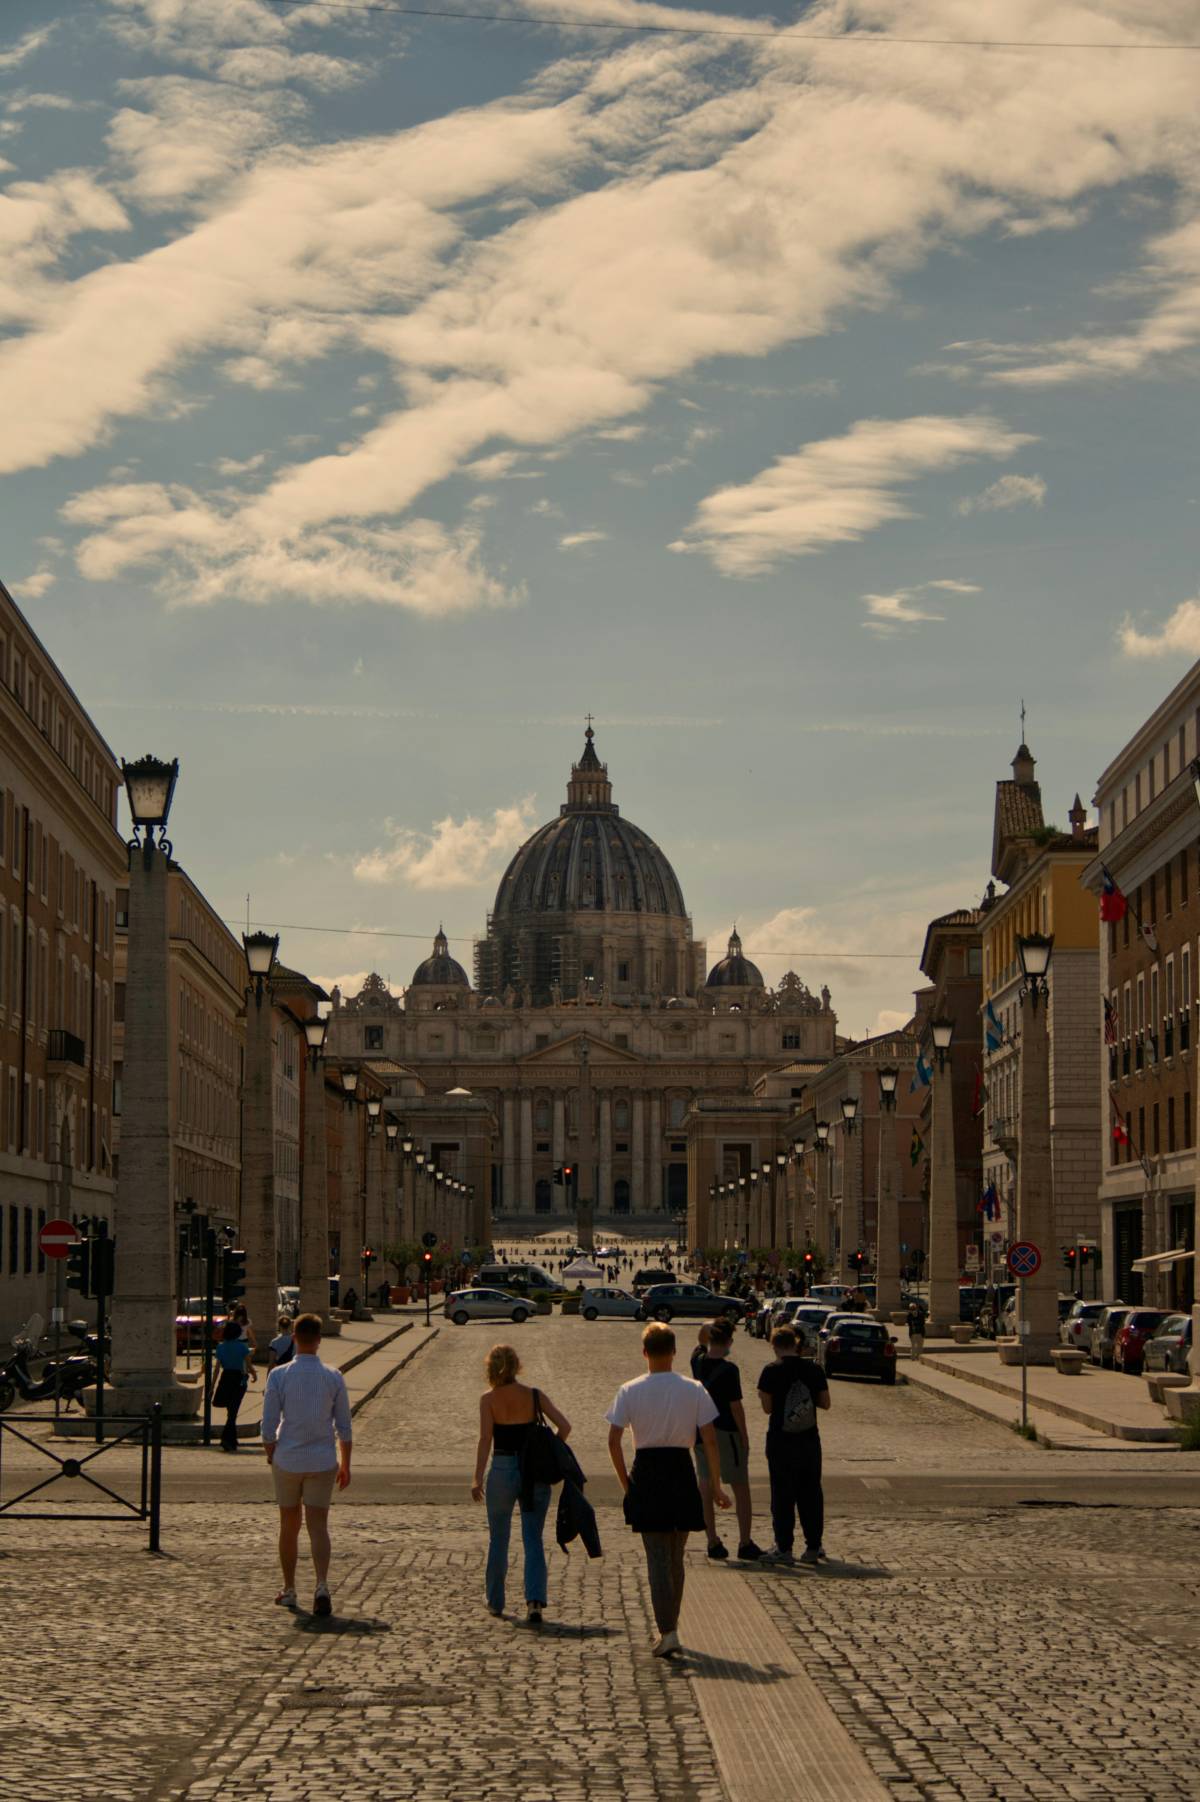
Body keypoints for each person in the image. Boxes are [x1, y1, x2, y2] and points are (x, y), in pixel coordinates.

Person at [606, 1322, 731, 1658]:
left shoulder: (630, 1390)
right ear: (674, 1352)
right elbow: (709, 1440)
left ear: (645, 1352)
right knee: (675, 1557)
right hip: (681, 1469)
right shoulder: (694, 1389)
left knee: (658, 1558)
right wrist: (716, 1486)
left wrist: (625, 1484)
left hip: (646, 1469)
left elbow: (614, 1441)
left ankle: (668, 1630)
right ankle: (670, 1626)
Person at [471, 1343, 571, 1625]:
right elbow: (564, 1426)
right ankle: (535, 1602)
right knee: (533, 1538)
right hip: (533, 1472)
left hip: (502, 1469)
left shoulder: (488, 1400)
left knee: (498, 1538)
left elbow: (485, 1439)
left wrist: (477, 1477)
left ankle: (495, 1600)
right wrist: (549, 1451)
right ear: (517, 1367)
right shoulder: (534, 1396)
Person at [261, 1312, 352, 1617]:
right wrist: (346, 1464)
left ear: (294, 1338)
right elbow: (344, 1427)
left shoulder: (279, 1376)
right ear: (320, 1340)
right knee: (318, 1527)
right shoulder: (333, 1376)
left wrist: (271, 1450)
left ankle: (289, 1589)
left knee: (289, 1525)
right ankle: (322, 1585)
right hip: (323, 1459)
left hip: (288, 1458)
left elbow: (269, 1422)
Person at [756, 1324, 830, 1566]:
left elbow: (767, 1408)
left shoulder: (770, 1371)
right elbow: (825, 1403)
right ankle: (813, 1546)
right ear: (797, 1344)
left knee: (782, 1495)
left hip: (781, 1441)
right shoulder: (813, 1369)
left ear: (775, 1345)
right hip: (809, 1440)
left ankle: (784, 1547)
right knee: (810, 1493)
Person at [693, 1316, 761, 1562]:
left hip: (701, 1431)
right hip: (727, 1432)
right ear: (730, 1341)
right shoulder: (730, 1370)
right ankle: (744, 1542)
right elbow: (736, 1407)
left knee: (706, 1487)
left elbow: (701, 1334)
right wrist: (744, 1437)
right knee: (740, 1486)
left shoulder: (697, 1361)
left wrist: (711, 1325)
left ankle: (712, 1541)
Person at [213, 1318, 256, 1452]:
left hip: (226, 1377)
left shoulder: (220, 1347)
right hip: (239, 1379)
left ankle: (231, 1439)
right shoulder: (242, 1347)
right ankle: (227, 1440)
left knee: (231, 1411)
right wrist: (254, 1374)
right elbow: (248, 1365)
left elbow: (217, 1368)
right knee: (233, 1410)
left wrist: (212, 1386)